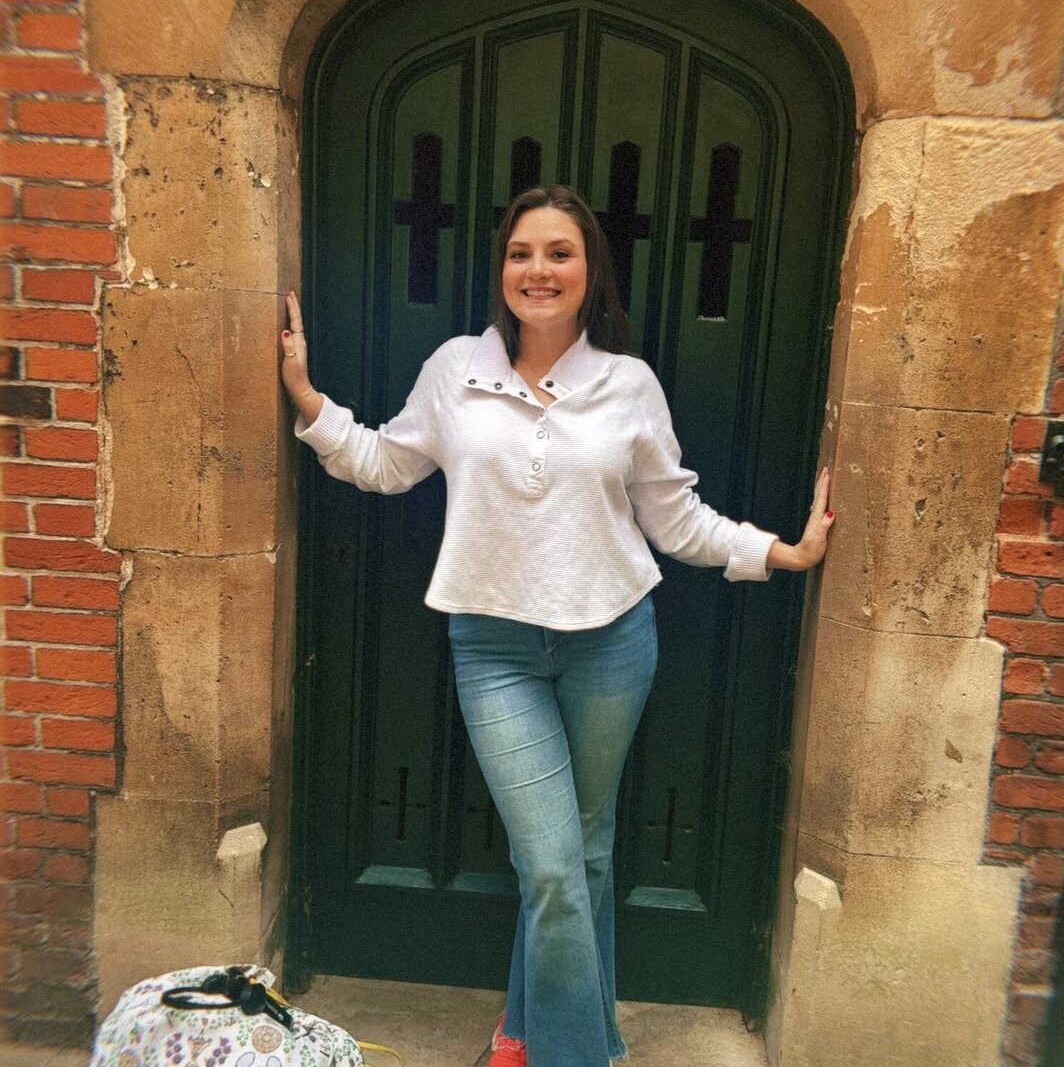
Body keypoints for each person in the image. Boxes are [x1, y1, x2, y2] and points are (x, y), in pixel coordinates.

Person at [279, 185, 833, 1067]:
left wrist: (776, 552)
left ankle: (525, 1033)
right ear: (502, 269)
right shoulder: (456, 369)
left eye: (559, 253)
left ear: (589, 271)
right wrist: (311, 402)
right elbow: (387, 462)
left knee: (586, 855)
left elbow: (674, 518)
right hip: (493, 649)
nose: (538, 270)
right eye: (521, 253)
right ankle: (581, 1056)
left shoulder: (627, 383)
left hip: (612, 642)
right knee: (550, 864)